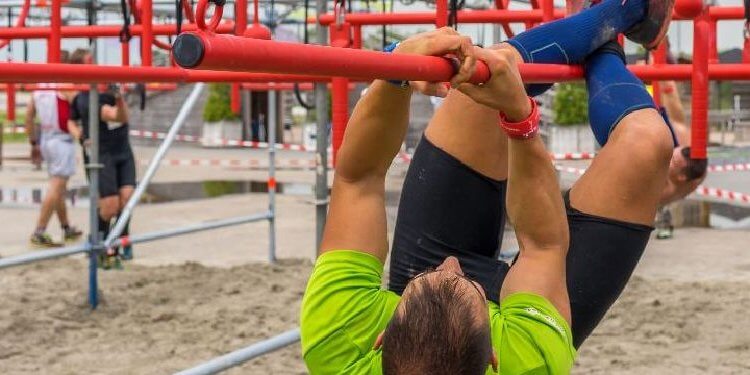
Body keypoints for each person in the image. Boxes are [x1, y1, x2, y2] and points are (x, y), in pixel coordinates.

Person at [301, 0, 678, 372]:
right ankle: (619, 15)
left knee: (479, 74)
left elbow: (358, 178)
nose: (453, 265)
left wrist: (397, 67)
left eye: (432, 275)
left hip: (438, 325)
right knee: (647, 145)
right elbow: (543, 245)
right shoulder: (527, 362)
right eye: (467, 281)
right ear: (493, 362)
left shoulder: (341, 342)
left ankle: (609, 18)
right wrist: (519, 115)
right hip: (531, 303)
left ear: (381, 340)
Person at [69, 48, 135, 269]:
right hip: (101, 153)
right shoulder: (84, 98)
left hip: (122, 150)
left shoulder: (103, 88)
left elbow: (122, 116)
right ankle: (98, 243)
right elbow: (116, 115)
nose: (95, 63)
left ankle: (118, 243)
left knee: (128, 199)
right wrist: (80, 135)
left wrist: (119, 94)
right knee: (109, 206)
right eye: (89, 61)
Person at [27, 70, 84, 247]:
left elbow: (29, 115)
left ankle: (66, 227)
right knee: (57, 186)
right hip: (61, 140)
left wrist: (33, 142)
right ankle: (39, 231)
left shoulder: (39, 89)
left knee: (59, 188)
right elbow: (81, 104)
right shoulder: (64, 85)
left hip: (46, 138)